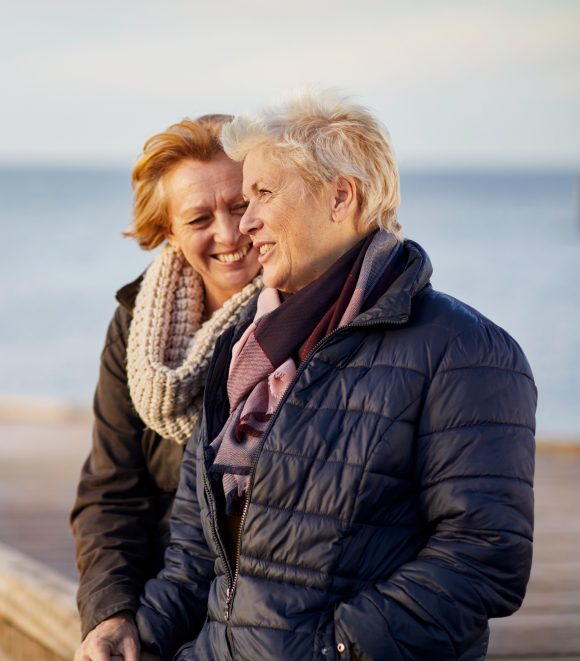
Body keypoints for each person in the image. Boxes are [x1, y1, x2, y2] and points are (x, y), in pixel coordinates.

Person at [136, 90, 537, 660]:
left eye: (263, 194)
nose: (245, 223)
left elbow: (482, 556)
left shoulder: (466, 350)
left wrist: (333, 650)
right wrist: (139, 638)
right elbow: (196, 551)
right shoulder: (242, 344)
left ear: (340, 196)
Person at [70, 114, 262, 661]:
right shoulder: (137, 327)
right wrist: (112, 612)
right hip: (158, 600)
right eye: (200, 216)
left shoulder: (300, 317)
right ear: (167, 230)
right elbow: (111, 490)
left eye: (242, 205)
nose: (228, 234)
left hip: (257, 615)